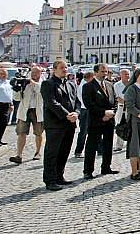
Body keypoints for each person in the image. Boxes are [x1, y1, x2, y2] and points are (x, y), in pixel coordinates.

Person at [41, 60, 78, 191]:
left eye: (66, 67)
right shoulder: (48, 84)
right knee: (52, 153)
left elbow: (76, 101)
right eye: (62, 68)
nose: (65, 70)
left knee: (64, 151)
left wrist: (76, 113)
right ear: (54, 70)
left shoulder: (70, 84)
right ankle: (50, 180)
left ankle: (59, 176)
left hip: (70, 124)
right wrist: (67, 114)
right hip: (55, 124)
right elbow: (51, 103)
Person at [81, 64, 119, 179]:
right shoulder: (88, 86)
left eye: (106, 72)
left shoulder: (109, 85)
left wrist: (111, 112)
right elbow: (89, 104)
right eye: (102, 72)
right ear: (96, 72)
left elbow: (115, 101)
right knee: (92, 146)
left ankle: (106, 167)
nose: (104, 74)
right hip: (96, 121)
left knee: (108, 145)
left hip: (109, 121)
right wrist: (103, 113)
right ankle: (88, 170)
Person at [9, 66, 44, 164]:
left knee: (38, 133)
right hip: (25, 110)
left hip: (37, 111)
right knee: (21, 133)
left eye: (36, 73)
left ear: (40, 73)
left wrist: (32, 83)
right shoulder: (25, 82)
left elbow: (41, 91)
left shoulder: (43, 82)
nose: (33, 75)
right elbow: (17, 99)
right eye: (32, 72)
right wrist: (16, 89)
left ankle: (38, 152)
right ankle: (19, 155)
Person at [73, 71, 94, 159]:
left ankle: (100, 149)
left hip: (88, 109)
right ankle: (78, 151)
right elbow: (83, 100)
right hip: (85, 110)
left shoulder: (86, 85)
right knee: (83, 131)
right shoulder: (83, 86)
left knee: (94, 130)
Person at [0, 68, 14, 145]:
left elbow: (10, 94)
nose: (3, 75)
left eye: (4, 74)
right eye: (1, 73)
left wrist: (11, 103)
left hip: (6, 104)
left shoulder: (8, 83)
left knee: (4, 122)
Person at [113, 69, 130, 151]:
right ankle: (119, 145)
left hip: (130, 108)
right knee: (120, 126)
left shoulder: (132, 84)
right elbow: (116, 97)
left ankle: (130, 144)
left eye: (128, 74)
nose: (127, 76)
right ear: (121, 75)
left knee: (131, 126)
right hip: (121, 108)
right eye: (125, 74)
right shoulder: (117, 85)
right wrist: (124, 101)